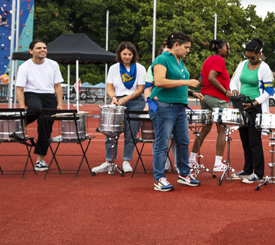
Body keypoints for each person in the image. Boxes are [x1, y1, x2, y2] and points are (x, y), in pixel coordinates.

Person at [150, 31, 200, 191]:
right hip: (164, 107)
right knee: (162, 143)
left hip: (179, 107)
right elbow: (159, 81)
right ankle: (159, 178)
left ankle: (184, 174)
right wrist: (186, 82)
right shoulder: (162, 59)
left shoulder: (179, 61)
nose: (188, 50)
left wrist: (191, 92)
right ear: (176, 45)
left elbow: (176, 84)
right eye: (186, 47)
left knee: (184, 141)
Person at [93, 42, 149, 175]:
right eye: (124, 54)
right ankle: (109, 161)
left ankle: (126, 161)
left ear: (134, 55)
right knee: (111, 132)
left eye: (130, 54)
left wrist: (126, 99)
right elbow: (109, 86)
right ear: (119, 54)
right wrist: (113, 97)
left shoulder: (140, 68)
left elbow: (140, 89)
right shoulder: (113, 68)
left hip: (135, 101)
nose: (127, 57)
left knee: (131, 133)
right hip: (117, 101)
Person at [227, 38, 274, 183]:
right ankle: (247, 169)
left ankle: (258, 173)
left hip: (255, 107)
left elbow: (269, 91)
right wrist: (234, 89)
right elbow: (234, 80)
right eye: (247, 57)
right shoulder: (243, 64)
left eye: (252, 57)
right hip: (242, 105)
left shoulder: (264, 68)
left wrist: (254, 102)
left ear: (259, 53)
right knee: (245, 140)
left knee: (254, 141)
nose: (250, 60)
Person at [14, 40, 63, 172]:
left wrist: (59, 104)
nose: (43, 50)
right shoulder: (24, 67)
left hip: (49, 96)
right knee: (35, 109)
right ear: (31, 51)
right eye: (39, 48)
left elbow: (57, 86)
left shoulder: (53, 64)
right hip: (32, 94)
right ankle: (19, 125)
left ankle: (40, 160)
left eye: (44, 48)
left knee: (45, 128)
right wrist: (22, 105)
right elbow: (19, 89)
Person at [191, 39, 233, 174]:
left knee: (205, 128)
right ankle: (218, 163)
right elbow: (211, 77)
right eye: (228, 48)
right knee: (222, 130)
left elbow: (203, 80)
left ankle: (191, 158)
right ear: (221, 49)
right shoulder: (220, 60)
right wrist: (225, 91)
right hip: (218, 98)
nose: (229, 51)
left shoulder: (207, 60)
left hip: (205, 97)